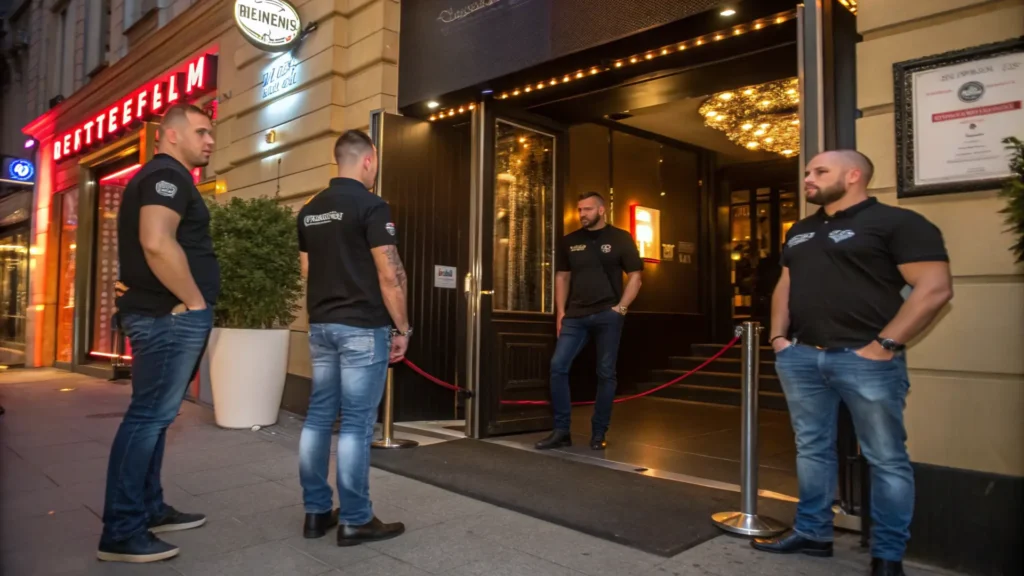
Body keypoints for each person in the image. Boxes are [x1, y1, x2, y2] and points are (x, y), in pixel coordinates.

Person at [753, 150, 953, 576]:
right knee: (812, 449)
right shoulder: (800, 230)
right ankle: (813, 533)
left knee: (885, 458)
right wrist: (778, 339)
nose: (808, 178)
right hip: (803, 357)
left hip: (868, 361)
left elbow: (934, 288)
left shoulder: (898, 223)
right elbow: (785, 285)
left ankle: (887, 556)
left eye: (819, 171)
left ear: (854, 175)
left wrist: (884, 345)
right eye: (807, 171)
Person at [98, 103, 219, 563]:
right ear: (170, 135)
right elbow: (156, 241)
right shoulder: (165, 177)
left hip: (162, 316)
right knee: (148, 419)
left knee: (153, 418)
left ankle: (147, 509)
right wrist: (195, 302)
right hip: (168, 318)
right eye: (202, 132)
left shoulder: (167, 178)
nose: (209, 141)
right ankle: (123, 529)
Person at [296, 129, 409, 546]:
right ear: (367, 160)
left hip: (322, 325)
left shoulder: (310, 210)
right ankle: (356, 518)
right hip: (362, 326)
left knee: (319, 416)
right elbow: (389, 273)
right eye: (375, 162)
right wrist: (402, 328)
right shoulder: (372, 206)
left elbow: (308, 271)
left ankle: (316, 512)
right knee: (358, 425)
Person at [535, 192, 643, 451]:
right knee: (558, 366)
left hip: (608, 314)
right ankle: (562, 431)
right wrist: (561, 312)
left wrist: (621, 308)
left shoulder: (620, 238)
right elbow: (562, 277)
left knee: (606, 373)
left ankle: (598, 432)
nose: (582, 214)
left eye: (588, 209)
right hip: (575, 315)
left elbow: (636, 276)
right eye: (580, 209)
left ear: (602, 210)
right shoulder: (570, 241)